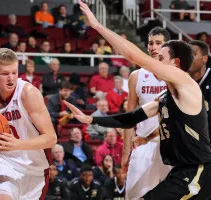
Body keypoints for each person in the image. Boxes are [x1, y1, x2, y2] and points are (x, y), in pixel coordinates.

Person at [63, 1, 211, 198]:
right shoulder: (166, 97)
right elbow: (131, 118)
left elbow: (133, 55)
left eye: (161, 59)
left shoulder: (185, 82)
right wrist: (91, 119)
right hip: (181, 170)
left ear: (175, 63)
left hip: (198, 171)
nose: (155, 62)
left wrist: (97, 26)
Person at [0, 48, 57, 200]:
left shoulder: (28, 93)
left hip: (35, 169)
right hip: (4, 165)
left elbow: (51, 138)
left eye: (14, 72)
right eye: (5, 74)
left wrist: (17, 145)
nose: (11, 78)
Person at [121, 27, 172, 200]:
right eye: (151, 43)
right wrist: (125, 151)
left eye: (158, 43)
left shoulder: (176, 75)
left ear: (167, 46)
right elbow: (129, 118)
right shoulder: (137, 76)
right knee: (134, 195)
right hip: (143, 144)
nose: (153, 47)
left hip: (170, 145)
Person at [188, 40, 211, 138]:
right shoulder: (181, 80)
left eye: (193, 54)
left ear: (204, 58)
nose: (188, 58)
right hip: (193, 142)